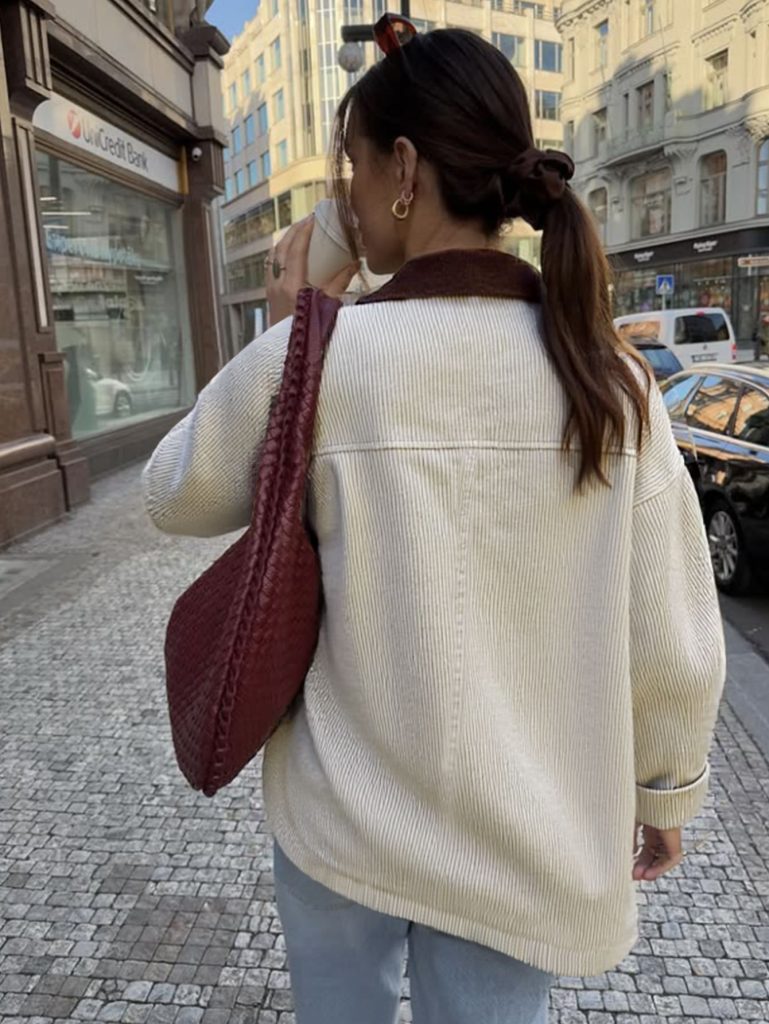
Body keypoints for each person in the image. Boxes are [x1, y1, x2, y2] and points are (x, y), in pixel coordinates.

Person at [143, 22, 725, 1024]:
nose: (346, 197)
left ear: (403, 169)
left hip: (341, 821)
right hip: (524, 843)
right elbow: (670, 634)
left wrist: (291, 324)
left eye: (353, 167)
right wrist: (663, 792)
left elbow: (173, 493)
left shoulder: (320, 361)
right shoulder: (611, 381)